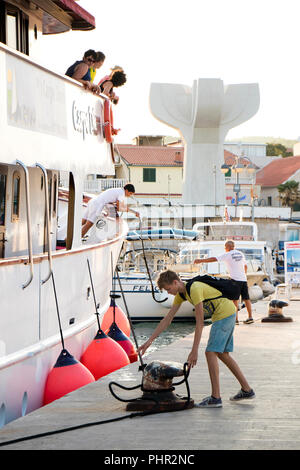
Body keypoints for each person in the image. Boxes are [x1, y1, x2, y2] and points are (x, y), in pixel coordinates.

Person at [138, 270, 255, 408]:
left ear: (175, 282)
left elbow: (199, 323)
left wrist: (194, 351)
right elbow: (167, 320)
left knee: (210, 352)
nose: (168, 293)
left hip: (224, 314)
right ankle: (247, 390)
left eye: (169, 289)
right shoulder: (181, 294)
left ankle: (215, 397)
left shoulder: (195, 289)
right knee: (222, 354)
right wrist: (148, 342)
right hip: (226, 313)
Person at [194, 240, 254, 325]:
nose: (225, 249)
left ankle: (235, 320)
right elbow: (245, 266)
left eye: (225, 247)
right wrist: (243, 274)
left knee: (234, 300)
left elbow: (214, 259)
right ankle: (250, 317)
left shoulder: (228, 254)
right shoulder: (240, 254)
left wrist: (201, 260)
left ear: (228, 247)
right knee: (246, 298)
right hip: (243, 279)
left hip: (235, 280)